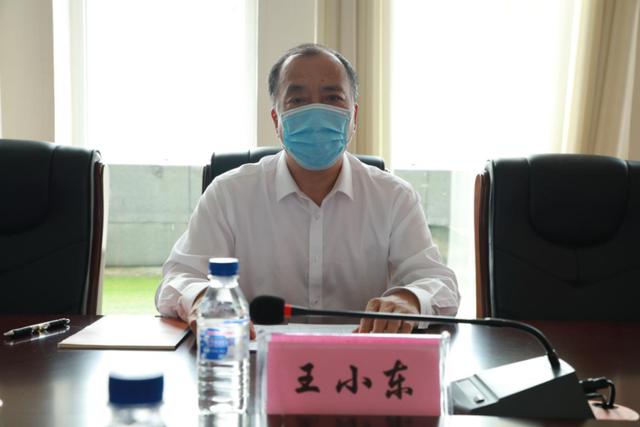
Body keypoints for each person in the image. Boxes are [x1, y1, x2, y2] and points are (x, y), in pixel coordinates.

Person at [155, 43, 460, 335]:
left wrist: (409, 299)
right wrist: (201, 300)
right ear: (277, 119)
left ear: (353, 117)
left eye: (332, 98)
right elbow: (180, 278)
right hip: (256, 358)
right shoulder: (229, 194)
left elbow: (436, 281)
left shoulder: (394, 197)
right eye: (297, 101)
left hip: (362, 362)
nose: (316, 111)